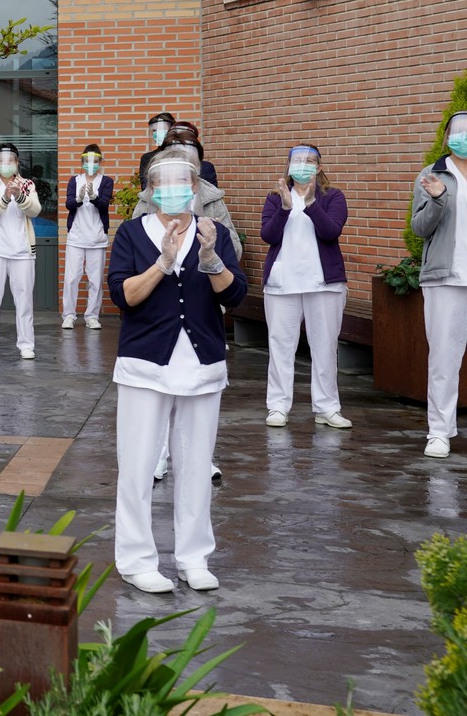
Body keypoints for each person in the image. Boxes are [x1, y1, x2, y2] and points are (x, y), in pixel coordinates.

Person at [109, 153, 247, 593]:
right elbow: (123, 295)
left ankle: (193, 557)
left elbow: (236, 295)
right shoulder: (132, 233)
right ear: (151, 190)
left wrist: (211, 259)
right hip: (145, 365)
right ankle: (136, 560)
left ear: (195, 188)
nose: (173, 189)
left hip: (202, 365)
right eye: (163, 182)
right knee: (137, 466)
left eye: (182, 181)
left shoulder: (213, 233)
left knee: (196, 466)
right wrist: (162, 263)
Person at [259, 145, 351, 430]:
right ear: (288, 166)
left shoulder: (332, 196)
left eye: (309, 161)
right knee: (280, 346)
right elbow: (268, 236)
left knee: (325, 347)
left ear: (319, 167)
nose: (302, 165)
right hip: (282, 283)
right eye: (297, 161)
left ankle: (327, 407)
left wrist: (311, 204)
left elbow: (331, 232)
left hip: (323, 283)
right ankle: (278, 406)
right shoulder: (275, 197)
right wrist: (285, 209)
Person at [411, 110, 467, 459]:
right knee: (444, 358)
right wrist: (438, 198)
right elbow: (419, 228)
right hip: (446, 278)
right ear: (446, 137)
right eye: (458, 130)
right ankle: (439, 432)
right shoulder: (432, 174)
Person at [0, 143, 41, 360]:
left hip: (22, 251)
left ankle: (26, 344)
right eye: (1, 160)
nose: (6, 164)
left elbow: (35, 210)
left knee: (24, 300)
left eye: (10, 160)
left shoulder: (27, 184)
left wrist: (20, 196)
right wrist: (4, 198)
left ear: (17, 162)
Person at [62, 143, 113, 330]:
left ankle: (92, 316)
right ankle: (69, 315)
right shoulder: (74, 181)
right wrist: (78, 198)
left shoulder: (106, 181)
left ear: (100, 162)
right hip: (76, 237)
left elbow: (104, 205)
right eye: (87, 161)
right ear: (82, 162)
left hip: (96, 237)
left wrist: (93, 197)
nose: (91, 164)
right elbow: (68, 204)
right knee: (71, 278)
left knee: (95, 280)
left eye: (95, 161)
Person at [135, 112, 175, 191]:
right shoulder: (147, 158)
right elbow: (145, 186)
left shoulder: (182, 155)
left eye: (161, 129)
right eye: (154, 130)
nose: (157, 133)